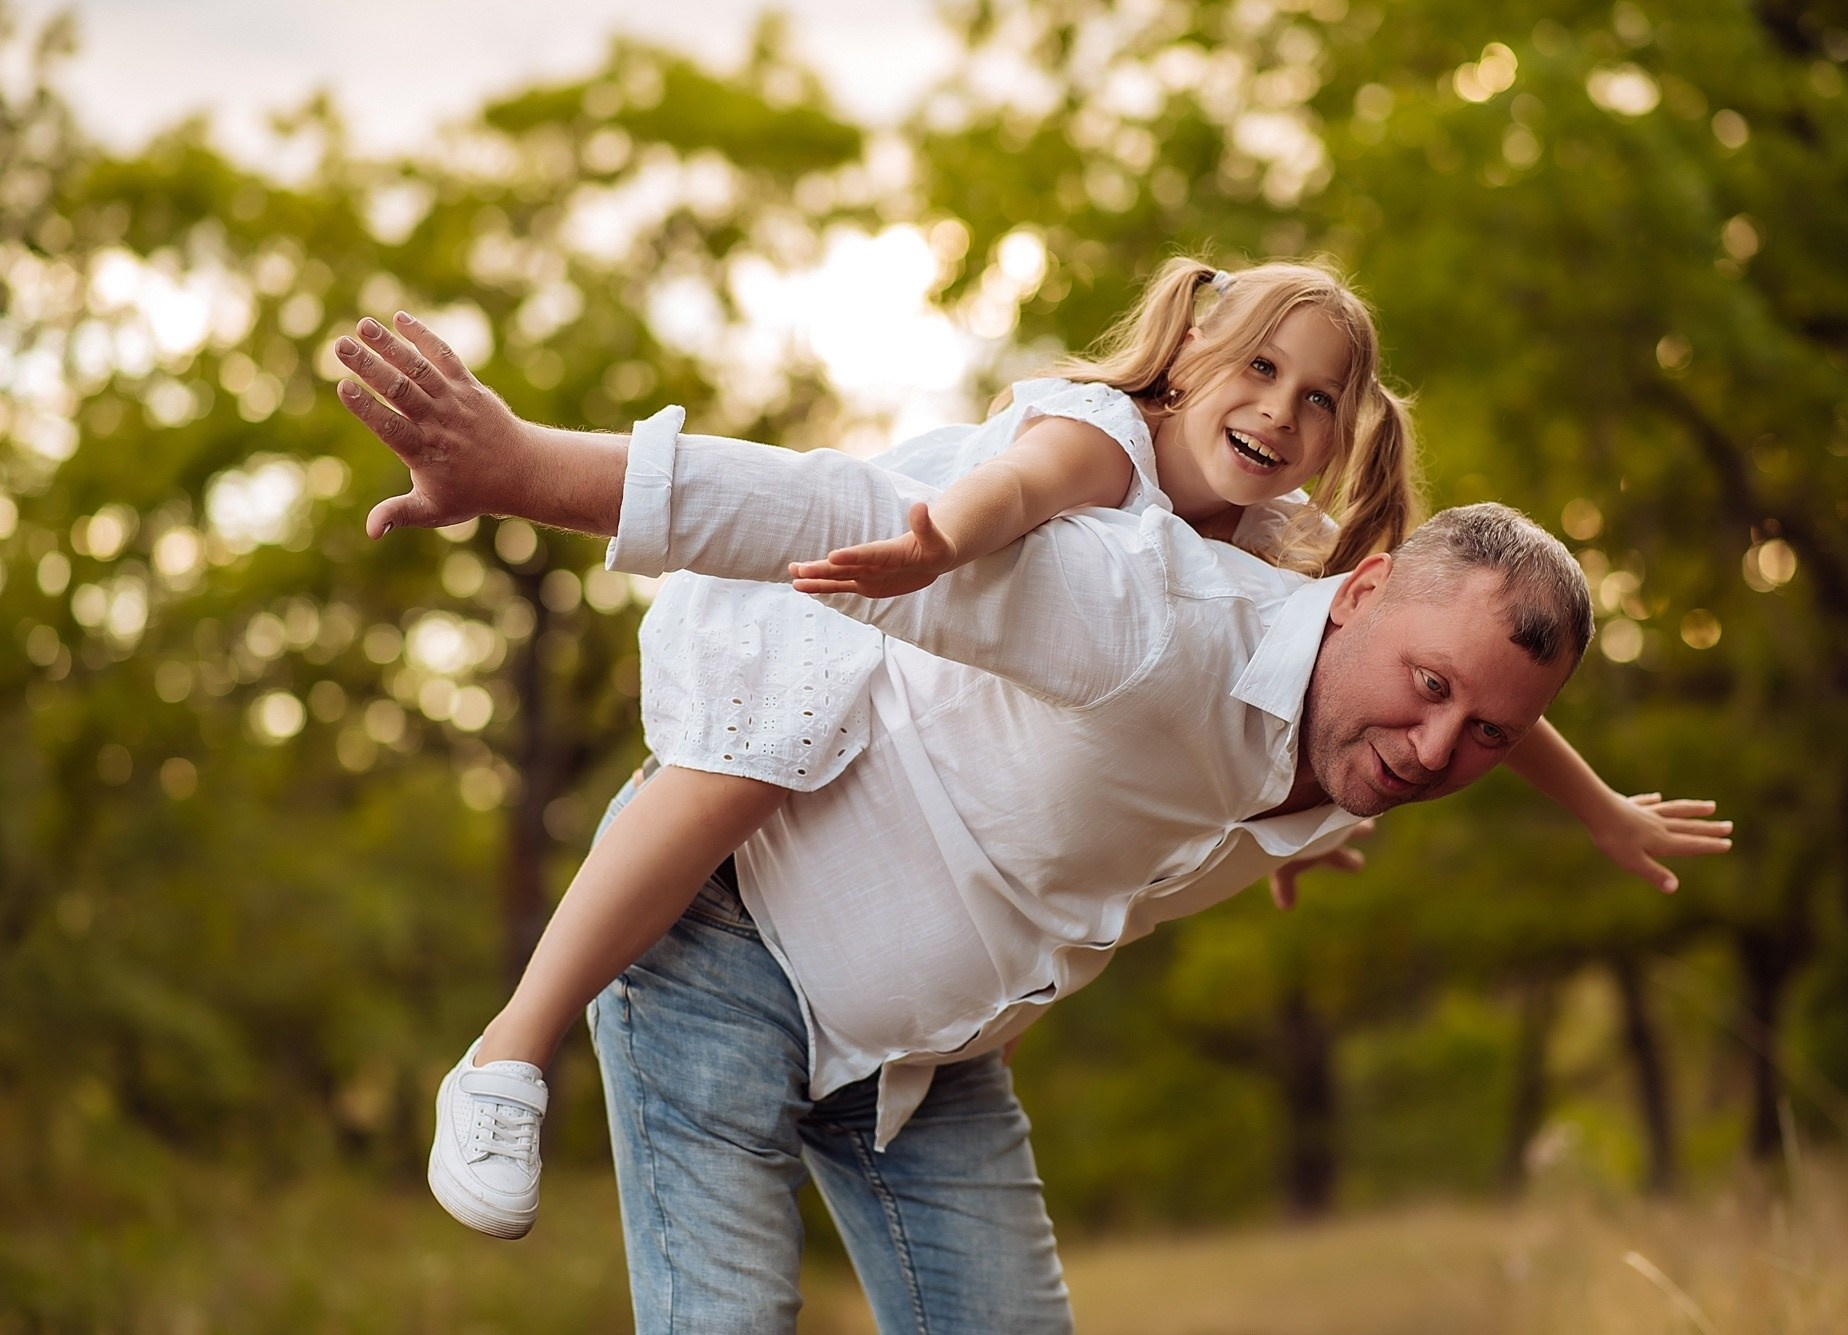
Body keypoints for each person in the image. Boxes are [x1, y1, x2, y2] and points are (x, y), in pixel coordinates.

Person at [336, 296, 1729, 1331]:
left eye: (1485, 733)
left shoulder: (1375, 711)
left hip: (926, 1069)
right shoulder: (1141, 601)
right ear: (1358, 600)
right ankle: (504, 1055)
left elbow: (1487, 690)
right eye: (1429, 693)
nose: (1439, 750)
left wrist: (1597, 811)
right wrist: (519, 469)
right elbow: (831, 508)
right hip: (722, 949)